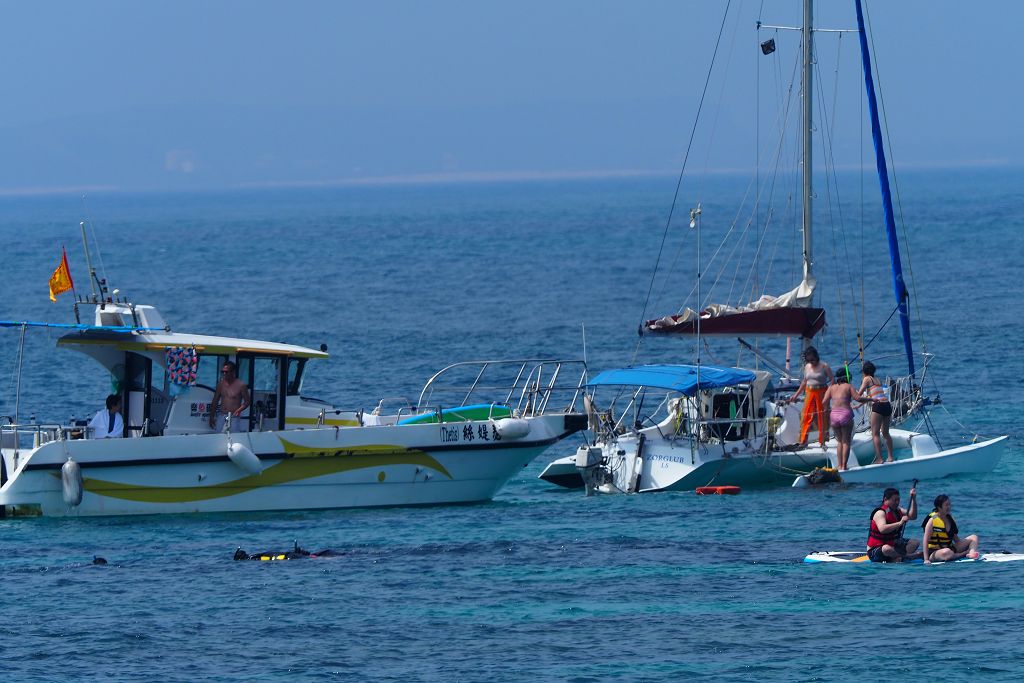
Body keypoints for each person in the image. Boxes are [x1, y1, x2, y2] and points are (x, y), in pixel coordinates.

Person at [822, 366, 868, 470]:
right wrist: (870, 400)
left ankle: (839, 465)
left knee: (840, 442)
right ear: (846, 377)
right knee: (846, 442)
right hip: (845, 415)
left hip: (833, 416)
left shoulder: (831, 387)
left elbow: (824, 402)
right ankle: (844, 466)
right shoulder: (848, 386)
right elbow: (858, 398)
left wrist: (828, 410)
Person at [787, 346, 834, 447]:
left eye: (812, 359)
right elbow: (804, 382)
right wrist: (795, 395)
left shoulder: (824, 366)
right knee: (806, 416)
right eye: (809, 360)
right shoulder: (807, 367)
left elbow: (832, 380)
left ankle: (823, 441)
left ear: (816, 357)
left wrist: (829, 393)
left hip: (822, 392)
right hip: (809, 392)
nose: (811, 362)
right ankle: (803, 441)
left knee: (822, 416)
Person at [867, 486, 920, 562]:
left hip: (893, 545)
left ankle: (897, 557)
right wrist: (900, 523)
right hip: (875, 550)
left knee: (914, 543)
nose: (897, 502)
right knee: (886, 548)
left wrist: (913, 499)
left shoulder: (897, 510)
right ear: (885, 499)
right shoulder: (880, 512)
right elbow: (882, 529)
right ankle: (909, 556)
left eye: (898, 500)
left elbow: (913, 516)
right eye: (894, 500)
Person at [922, 494, 980, 564]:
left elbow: (956, 539)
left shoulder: (950, 519)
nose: (949, 507)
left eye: (949, 504)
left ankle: (971, 553)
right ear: (939, 507)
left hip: (950, 549)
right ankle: (964, 554)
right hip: (935, 553)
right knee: (946, 552)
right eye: (946, 505)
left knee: (974, 537)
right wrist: (926, 559)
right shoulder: (932, 520)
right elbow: (925, 541)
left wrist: (963, 546)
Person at [858, 361, 893, 464]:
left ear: (864, 372)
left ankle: (880, 459)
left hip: (878, 406)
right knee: (886, 433)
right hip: (887, 405)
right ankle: (890, 457)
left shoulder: (866, 379)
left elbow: (859, 395)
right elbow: (874, 393)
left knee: (875, 434)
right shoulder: (877, 379)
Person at [209, 361, 250, 432]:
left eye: (226, 372)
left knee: (234, 437)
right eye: (223, 372)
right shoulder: (220, 384)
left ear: (233, 372)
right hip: (221, 415)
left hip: (234, 417)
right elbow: (215, 401)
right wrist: (211, 416)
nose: (224, 374)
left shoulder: (241, 385)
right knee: (218, 436)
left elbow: (247, 402)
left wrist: (238, 410)